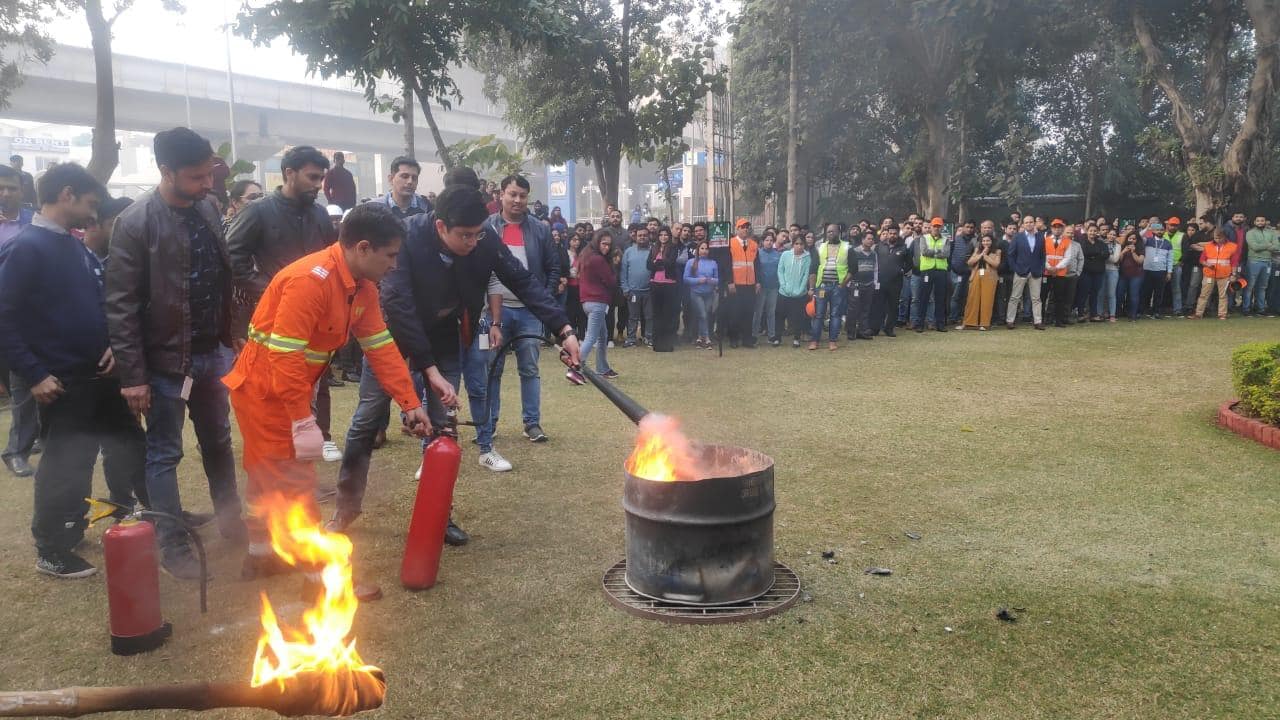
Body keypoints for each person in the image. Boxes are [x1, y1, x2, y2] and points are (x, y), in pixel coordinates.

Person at [338, 183, 579, 532]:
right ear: (441, 226)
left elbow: (523, 281)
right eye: (465, 235)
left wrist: (564, 329)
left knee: (444, 426)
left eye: (477, 234)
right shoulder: (406, 238)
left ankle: (439, 514)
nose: (473, 242)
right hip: (393, 337)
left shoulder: (483, 239)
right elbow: (398, 303)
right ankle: (345, 508)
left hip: (445, 336)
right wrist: (427, 368)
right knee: (367, 418)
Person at [225, 202, 429, 589]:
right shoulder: (310, 281)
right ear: (363, 248)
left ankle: (261, 555)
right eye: (390, 255)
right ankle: (319, 579)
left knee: (266, 476)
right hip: (266, 393)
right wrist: (303, 420)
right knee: (294, 479)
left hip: (286, 389)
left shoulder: (362, 288)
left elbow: (380, 347)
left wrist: (410, 403)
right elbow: (284, 356)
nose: (394, 265)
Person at [106, 128, 245, 580]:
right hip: (166, 364)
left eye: (209, 175)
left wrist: (231, 333)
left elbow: (221, 276)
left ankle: (231, 521)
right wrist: (133, 376)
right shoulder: (135, 222)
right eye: (196, 177)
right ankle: (173, 545)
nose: (207, 185)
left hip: (213, 353)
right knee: (164, 454)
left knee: (218, 440)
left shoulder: (206, 207)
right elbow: (121, 305)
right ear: (166, 171)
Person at [0, 163, 147, 578]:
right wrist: (33, 374)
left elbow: (99, 304)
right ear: (67, 195)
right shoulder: (28, 247)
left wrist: (115, 345)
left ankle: (157, 518)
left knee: (133, 447)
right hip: (62, 381)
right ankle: (52, 548)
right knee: (66, 463)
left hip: (101, 377)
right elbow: (4, 316)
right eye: (90, 203)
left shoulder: (75, 245)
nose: (93, 213)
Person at [226, 146, 342, 463]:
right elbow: (232, 257)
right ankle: (279, 454)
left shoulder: (319, 214)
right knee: (277, 382)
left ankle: (319, 438)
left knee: (316, 378)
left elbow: (332, 258)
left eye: (321, 178)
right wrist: (268, 290)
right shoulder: (258, 212)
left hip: (315, 317)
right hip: (273, 318)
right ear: (289, 173)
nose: (318, 185)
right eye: (312, 177)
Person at [470, 174, 562, 454]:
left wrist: (542, 300)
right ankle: (489, 423)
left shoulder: (540, 229)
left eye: (523, 195)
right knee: (491, 368)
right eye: (512, 194)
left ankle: (532, 423)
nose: (518, 200)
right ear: (501, 194)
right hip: (492, 311)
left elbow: (553, 267)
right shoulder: (486, 227)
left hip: (529, 312)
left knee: (530, 368)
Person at [0, 164, 39, 477]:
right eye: (0, 188)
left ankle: (34, 440)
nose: (6, 193)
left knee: (38, 381)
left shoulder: (35, 220)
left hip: (36, 313)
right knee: (21, 384)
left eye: (11, 187)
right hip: (6, 317)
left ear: (21, 189)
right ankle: (16, 450)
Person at [579, 230, 619, 373]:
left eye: (609, 245)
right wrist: (614, 265)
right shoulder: (598, 259)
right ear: (597, 242)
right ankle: (575, 367)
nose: (607, 247)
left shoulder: (586, 256)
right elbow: (611, 281)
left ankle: (603, 368)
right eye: (604, 244)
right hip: (597, 301)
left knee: (602, 336)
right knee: (591, 337)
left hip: (588, 301)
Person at [810, 224, 849, 350]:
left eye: (833, 231)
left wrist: (843, 284)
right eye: (828, 232)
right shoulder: (820, 247)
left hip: (838, 287)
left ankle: (832, 341)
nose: (830, 234)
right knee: (819, 315)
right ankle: (814, 341)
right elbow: (813, 268)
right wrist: (812, 287)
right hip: (822, 287)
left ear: (839, 232)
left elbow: (853, 268)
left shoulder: (847, 247)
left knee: (835, 314)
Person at [1005, 215, 1046, 330]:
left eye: (1031, 222)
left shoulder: (1040, 237)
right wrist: (1016, 269)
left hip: (1036, 272)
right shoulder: (1017, 237)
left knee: (1036, 298)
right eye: (1026, 222)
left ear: (1034, 223)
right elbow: (1010, 255)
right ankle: (1010, 320)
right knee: (1015, 297)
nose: (1029, 224)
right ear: (1023, 224)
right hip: (1020, 271)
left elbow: (1043, 255)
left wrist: (1041, 268)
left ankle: (1038, 322)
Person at [727, 219, 762, 348]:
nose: (745, 229)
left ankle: (747, 339)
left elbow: (757, 265)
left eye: (747, 227)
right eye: (742, 227)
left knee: (749, 312)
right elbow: (727, 264)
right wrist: (730, 281)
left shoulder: (754, 244)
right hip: (736, 284)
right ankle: (733, 339)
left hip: (750, 284)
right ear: (737, 229)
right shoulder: (730, 243)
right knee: (735, 313)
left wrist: (758, 281)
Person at [871, 223, 910, 337]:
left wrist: (902, 270)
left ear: (898, 234)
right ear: (887, 234)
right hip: (880, 281)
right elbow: (873, 261)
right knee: (878, 305)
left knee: (893, 306)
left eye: (895, 233)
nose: (892, 235)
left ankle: (889, 329)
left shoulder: (903, 247)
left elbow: (909, 263)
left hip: (896, 282)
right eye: (890, 233)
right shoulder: (879, 246)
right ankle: (875, 328)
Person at [1193, 229, 1239, 320]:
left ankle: (1222, 314)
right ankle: (1198, 314)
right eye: (1215, 238)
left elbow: (1234, 262)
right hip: (1209, 274)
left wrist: (1234, 274)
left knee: (1223, 295)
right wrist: (1207, 264)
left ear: (1224, 237)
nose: (1217, 240)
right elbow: (1202, 260)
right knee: (1204, 294)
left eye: (1219, 238)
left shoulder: (1233, 246)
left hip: (1224, 275)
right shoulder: (1208, 246)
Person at [915, 218, 951, 333]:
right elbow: (924, 252)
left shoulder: (946, 239)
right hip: (927, 270)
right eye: (934, 226)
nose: (936, 228)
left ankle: (940, 324)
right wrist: (938, 252)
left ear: (942, 227)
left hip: (941, 271)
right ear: (931, 227)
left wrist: (933, 252)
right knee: (923, 298)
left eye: (938, 226)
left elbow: (946, 254)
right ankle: (920, 324)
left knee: (940, 298)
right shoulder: (924, 238)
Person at [647, 227, 680, 352]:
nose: (663, 237)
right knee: (657, 314)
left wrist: (658, 262)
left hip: (669, 284)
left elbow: (670, 263)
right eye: (661, 235)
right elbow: (648, 265)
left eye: (666, 235)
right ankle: (657, 343)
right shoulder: (653, 248)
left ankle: (667, 344)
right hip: (655, 284)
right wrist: (658, 263)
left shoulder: (673, 248)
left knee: (667, 315)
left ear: (669, 236)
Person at [960, 230, 1001, 330]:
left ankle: (985, 324)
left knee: (987, 300)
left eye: (988, 241)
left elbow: (996, 264)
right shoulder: (977, 250)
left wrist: (985, 256)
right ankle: (969, 323)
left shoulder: (997, 251)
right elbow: (970, 262)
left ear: (992, 241)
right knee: (972, 299)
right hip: (976, 275)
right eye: (984, 241)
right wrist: (981, 254)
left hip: (990, 277)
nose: (985, 243)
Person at [620, 226, 653, 347]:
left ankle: (649, 337)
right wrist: (625, 288)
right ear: (635, 237)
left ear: (648, 236)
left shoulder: (653, 251)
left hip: (649, 291)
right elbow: (623, 272)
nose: (642, 237)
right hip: (633, 291)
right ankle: (631, 339)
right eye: (640, 235)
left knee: (649, 316)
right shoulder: (628, 252)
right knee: (633, 317)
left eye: (645, 235)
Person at [777, 234, 811, 347]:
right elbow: (780, 271)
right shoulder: (785, 255)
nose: (799, 246)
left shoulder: (807, 257)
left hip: (800, 294)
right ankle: (777, 338)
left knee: (798, 317)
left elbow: (806, 275)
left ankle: (796, 338)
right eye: (796, 244)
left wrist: (800, 290)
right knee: (780, 315)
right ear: (792, 244)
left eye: (801, 244)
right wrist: (784, 286)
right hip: (784, 292)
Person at [683, 239, 719, 349]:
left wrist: (711, 280)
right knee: (703, 314)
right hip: (696, 293)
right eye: (702, 248)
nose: (704, 251)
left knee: (705, 315)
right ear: (698, 250)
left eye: (706, 249)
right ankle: (707, 338)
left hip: (709, 293)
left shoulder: (713, 263)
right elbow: (686, 278)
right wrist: (698, 280)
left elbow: (718, 279)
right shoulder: (691, 262)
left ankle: (699, 337)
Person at [1043, 219, 1076, 328]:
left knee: (1059, 297)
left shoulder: (1067, 241)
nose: (1057, 229)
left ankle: (1058, 321)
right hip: (1046, 272)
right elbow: (1042, 256)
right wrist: (1049, 267)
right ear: (1051, 228)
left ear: (1062, 229)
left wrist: (1056, 268)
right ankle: (1042, 319)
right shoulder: (1045, 240)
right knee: (1043, 296)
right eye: (1055, 227)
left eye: (1059, 227)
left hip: (1060, 273)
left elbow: (1068, 258)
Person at [1243, 215, 1277, 316]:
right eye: (1258, 221)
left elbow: (1277, 246)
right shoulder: (1250, 233)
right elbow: (1254, 247)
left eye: (1262, 220)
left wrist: (1265, 246)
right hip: (1254, 261)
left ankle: (1260, 309)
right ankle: (1246, 309)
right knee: (1250, 286)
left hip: (1267, 262)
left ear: (1265, 222)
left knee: (1262, 287)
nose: (1260, 222)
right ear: (1254, 222)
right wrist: (1268, 245)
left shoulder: (1271, 233)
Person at [847, 232, 878, 340]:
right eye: (869, 239)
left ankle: (862, 331)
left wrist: (875, 282)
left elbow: (876, 269)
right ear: (862, 240)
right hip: (856, 285)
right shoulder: (853, 251)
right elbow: (849, 267)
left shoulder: (874, 253)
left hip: (869, 285)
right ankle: (851, 332)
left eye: (872, 239)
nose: (871, 241)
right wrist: (848, 283)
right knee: (853, 309)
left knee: (865, 309)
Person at [1140, 219, 1174, 318]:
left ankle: (1156, 312)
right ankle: (1145, 311)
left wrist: (1169, 272)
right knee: (1146, 292)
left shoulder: (1168, 243)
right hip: (1147, 270)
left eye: (1162, 230)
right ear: (1153, 231)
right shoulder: (1147, 240)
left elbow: (1170, 259)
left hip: (1161, 271)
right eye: (1157, 229)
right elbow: (1139, 236)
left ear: (1165, 231)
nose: (1159, 231)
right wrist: (1147, 228)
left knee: (1159, 293)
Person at [755, 232, 782, 344]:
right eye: (766, 240)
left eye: (771, 240)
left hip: (774, 287)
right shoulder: (757, 253)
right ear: (762, 242)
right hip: (761, 287)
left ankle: (771, 335)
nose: (769, 242)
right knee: (758, 312)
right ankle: (754, 335)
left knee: (771, 312)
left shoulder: (778, 254)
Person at [948, 220, 975, 325]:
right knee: (955, 296)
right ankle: (953, 317)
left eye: (971, 227)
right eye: (967, 227)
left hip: (970, 273)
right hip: (955, 272)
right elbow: (949, 254)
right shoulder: (955, 239)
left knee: (968, 296)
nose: (969, 229)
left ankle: (965, 317)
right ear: (963, 227)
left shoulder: (976, 240)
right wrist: (951, 267)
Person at [1079, 224, 1109, 321]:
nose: (1092, 233)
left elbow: (1106, 255)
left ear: (1097, 232)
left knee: (1095, 293)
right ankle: (1080, 314)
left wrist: (1092, 255)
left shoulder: (1101, 243)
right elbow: (1084, 253)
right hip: (1086, 272)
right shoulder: (1082, 242)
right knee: (1083, 293)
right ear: (1087, 231)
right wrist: (1097, 254)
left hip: (1098, 272)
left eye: (1095, 231)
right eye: (1091, 230)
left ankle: (1093, 314)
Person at [1117, 227, 1146, 321]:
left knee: (1134, 295)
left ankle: (1133, 315)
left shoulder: (1140, 248)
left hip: (1136, 275)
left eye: (1134, 239)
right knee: (1119, 294)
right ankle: (1118, 312)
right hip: (1123, 275)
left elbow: (1140, 261)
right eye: (1130, 238)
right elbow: (1118, 261)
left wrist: (1133, 252)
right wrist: (1123, 252)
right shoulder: (1123, 247)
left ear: (1137, 240)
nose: (1132, 240)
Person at [1102, 228, 1122, 322]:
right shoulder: (1102, 244)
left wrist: (1105, 255)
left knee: (1111, 293)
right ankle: (1100, 313)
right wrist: (1108, 256)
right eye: (1110, 234)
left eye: (1114, 235)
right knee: (1101, 293)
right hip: (1102, 270)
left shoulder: (1118, 245)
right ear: (1107, 234)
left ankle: (1112, 314)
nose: (1112, 236)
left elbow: (1115, 259)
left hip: (1113, 270)